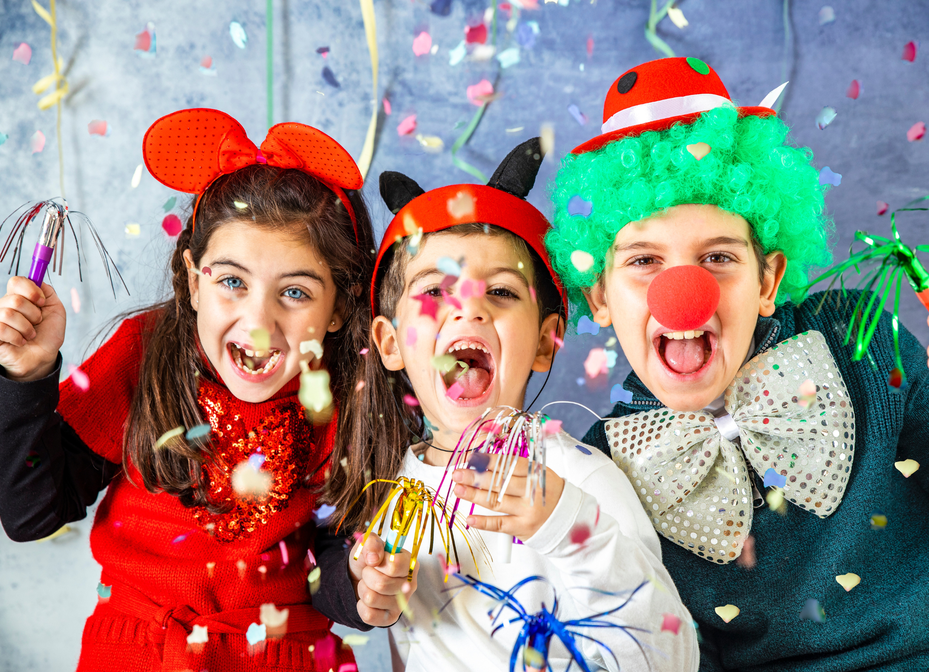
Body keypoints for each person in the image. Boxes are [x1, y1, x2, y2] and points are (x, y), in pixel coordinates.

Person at [0, 108, 413, 671]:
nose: (258, 322)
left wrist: (363, 587)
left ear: (338, 309)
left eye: (295, 293)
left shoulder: (346, 394)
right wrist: (27, 378)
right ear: (193, 280)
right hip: (135, 651)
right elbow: (30, 514)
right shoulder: (146, 353)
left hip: (285, 656)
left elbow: (328, 566)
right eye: (232, 282)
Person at [546, 56, 929, 671]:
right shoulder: (603, 467)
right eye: (644, 261)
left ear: (768, 280)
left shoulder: (862, 340)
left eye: (718, 258)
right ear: (599, 297)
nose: (683, 292)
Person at [359, 137, 698, 671]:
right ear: (390, 342)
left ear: (545, 342)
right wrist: (376, 598)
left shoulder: (578, 477)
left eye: (500, 292)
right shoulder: (392, 493)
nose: (468, 308)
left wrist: (569, 525)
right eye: (433, 292)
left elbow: (670, 658)